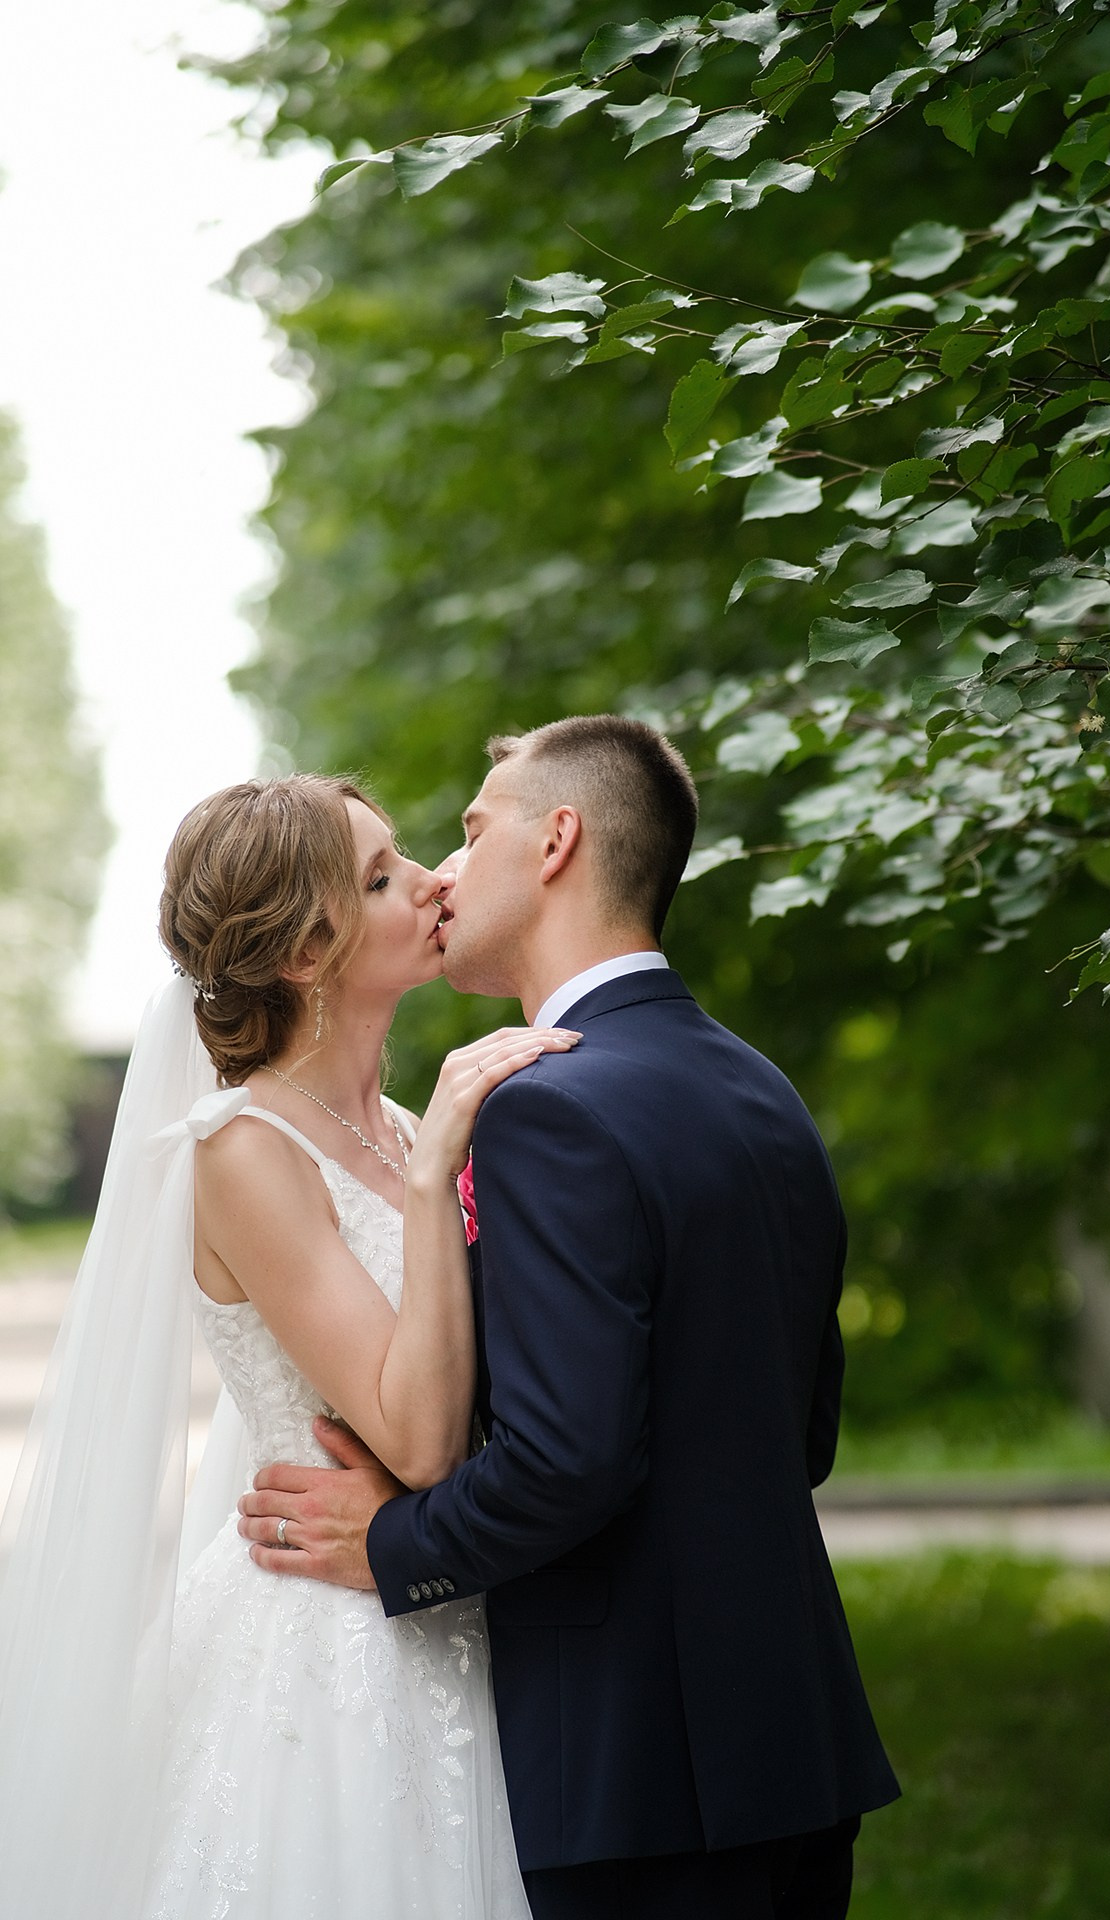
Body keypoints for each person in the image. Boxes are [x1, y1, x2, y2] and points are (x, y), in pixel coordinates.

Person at [240, 717, 901, 1920]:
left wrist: (388, 1545)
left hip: (638, 1771)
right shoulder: (759, 1087)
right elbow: (800, 1436)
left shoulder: (551, 1109)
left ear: (556, 842)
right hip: (794, 1743)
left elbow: (566, 1458)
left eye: (471, 829)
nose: (443, 869)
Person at [0, 772, 579, 1919]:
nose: (429, 882)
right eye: (378, 878)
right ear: (307, 956)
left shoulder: (408, 1130)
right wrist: (432, 1180)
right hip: (325, 1654)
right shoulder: (241, 1150)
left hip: (450, 1606)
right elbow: (416, 1439)